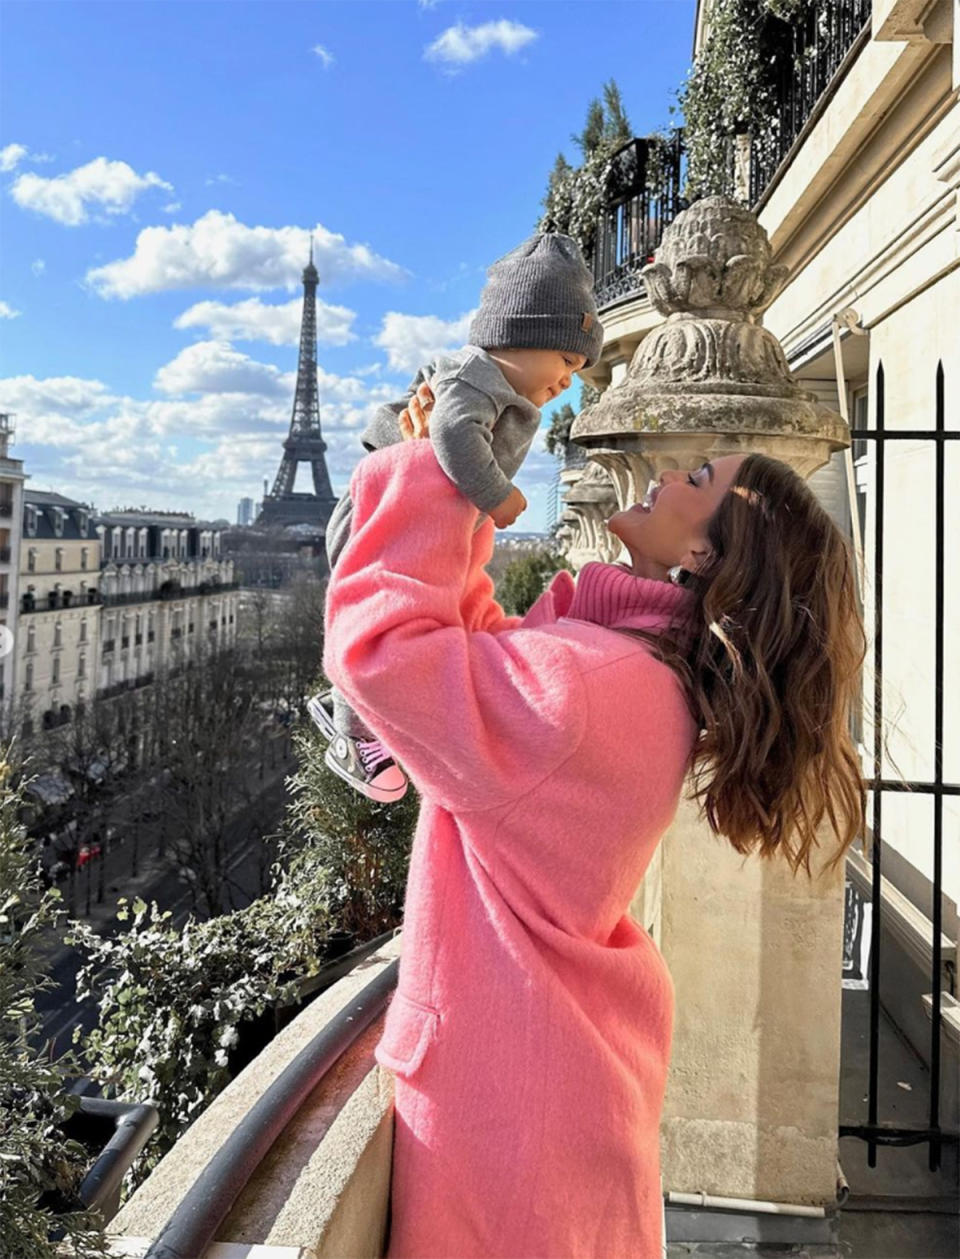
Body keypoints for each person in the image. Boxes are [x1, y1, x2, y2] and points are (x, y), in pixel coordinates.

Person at [322, 387, 865, 1258]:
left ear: (701, 547)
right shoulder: (630, 674)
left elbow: (386, 658)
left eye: (695, 475)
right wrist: (458, 484)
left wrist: (429, 471)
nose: (662, 471)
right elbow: (483, 663)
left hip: (510, 1118)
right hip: (548, 1087)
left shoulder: (593, 690)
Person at [308, 230, 603, 803]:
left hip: (407, 512)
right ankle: (355, 732)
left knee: (400, 615)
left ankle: (361, 710)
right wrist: (498, 496)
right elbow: (448, 433)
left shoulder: (500, 390)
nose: (568, 380)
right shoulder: (475, 377)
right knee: (378, 618)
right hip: (376, 513)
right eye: (566, 359)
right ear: (518, 335)